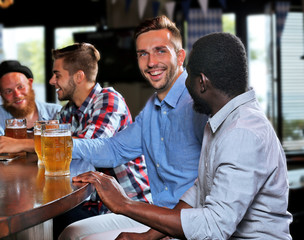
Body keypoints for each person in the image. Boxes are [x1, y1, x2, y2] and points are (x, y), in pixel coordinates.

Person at [73, 32, 293, 239]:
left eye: (188, 75)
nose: (184, 84)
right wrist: (148, 237)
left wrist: (124, 204)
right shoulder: (221, 120)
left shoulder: (242, 133)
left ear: (202, 82)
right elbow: (201, 191)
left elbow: (213, 228)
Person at [59, 15, 208, 239]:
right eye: (143, 54)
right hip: (159, 214)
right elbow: (113, 150)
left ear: (180, 56)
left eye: (160, 50)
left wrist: (152, 234)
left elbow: (211, 183)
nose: (150, 62)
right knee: (71, 232)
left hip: (190, 222)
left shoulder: (199, 102)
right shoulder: (152, 110)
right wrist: (58, 144)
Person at [49, 42, 152, 238]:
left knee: (61, 225)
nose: (52, 81)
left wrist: (32, 143)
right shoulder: (67, 112)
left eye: (57, 75)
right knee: (55, 221)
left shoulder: (108, 98)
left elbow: (93, 147)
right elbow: (57, 159)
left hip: (129, 204)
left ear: (78, 77)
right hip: (90, 202)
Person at [0, 60, 62, 154]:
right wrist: (43, 139)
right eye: (8, 91)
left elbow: (69, 144)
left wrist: (17, 143)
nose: (17, 95)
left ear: (30, 83)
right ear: (0, 94)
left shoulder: (56, 111)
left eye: (20, 87)